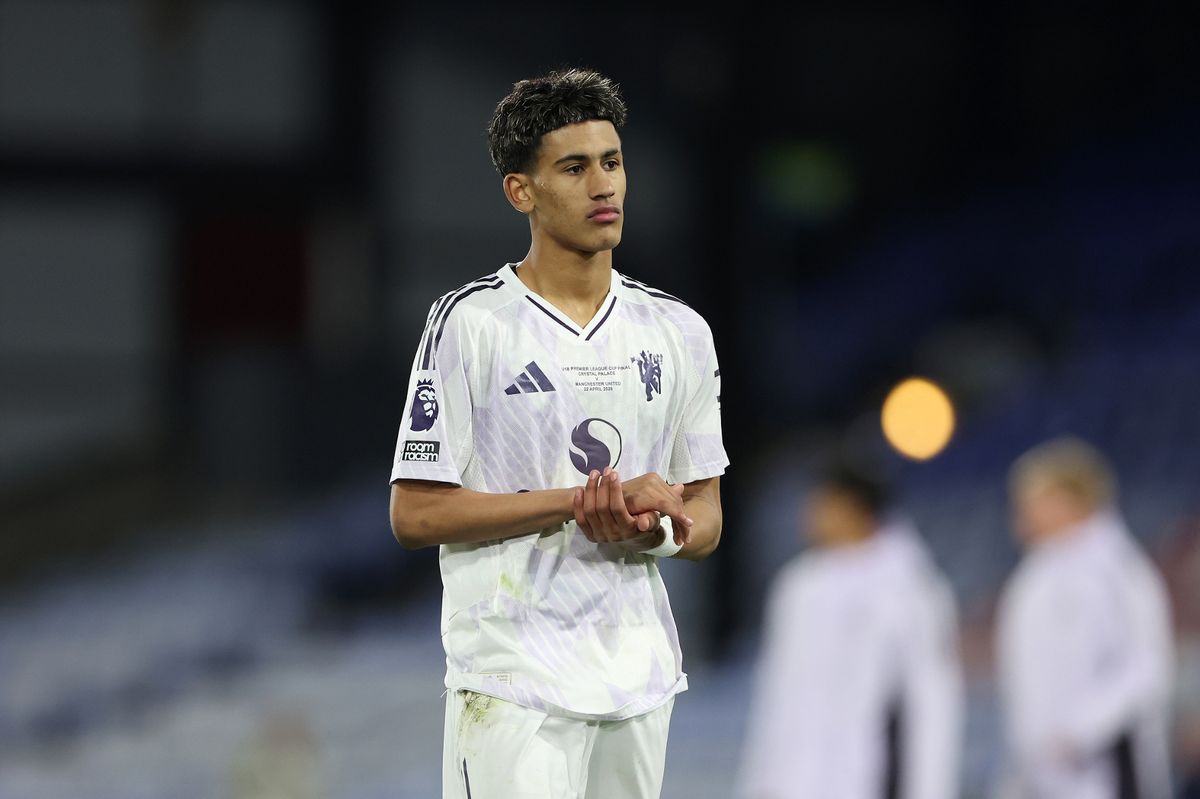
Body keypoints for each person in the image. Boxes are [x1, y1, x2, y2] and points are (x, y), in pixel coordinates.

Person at [387, 68, 728, 799]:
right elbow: (415, 514)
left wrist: (655, 529)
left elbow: (706, 515)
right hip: (513, 679)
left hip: (638, 677)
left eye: (612, 161)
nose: (603, 185)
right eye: (574, 167)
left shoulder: (679, 331)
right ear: (523, 191)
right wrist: (578, 502)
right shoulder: (470, 324)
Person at [735, 465, 963, 799]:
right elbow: (777, 693)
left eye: (821, 505)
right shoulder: (799, 584)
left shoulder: (910, 589)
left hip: (870, 776)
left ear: (854, 507)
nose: (809, 515)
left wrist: (929, 789)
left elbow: (930, 700)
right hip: (796, 779)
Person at [996, 437, 1174, 799]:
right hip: (1045, 772)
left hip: (1105, 770)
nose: (1021, 513)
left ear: (1070, 499)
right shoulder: (1033, 575)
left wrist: (1077, 732)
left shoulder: (1119, 571)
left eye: (1032, 500)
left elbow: (1146, 668)